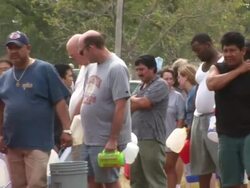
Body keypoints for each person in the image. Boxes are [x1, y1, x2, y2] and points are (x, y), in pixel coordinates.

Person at [0, 31, 72, 188]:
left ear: (28, 48)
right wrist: (0, 135)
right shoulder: (5, 77)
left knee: (35, 184)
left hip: (38, 142)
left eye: (17, 47)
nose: (13, 51)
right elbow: (2, 108)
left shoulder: (44, 69)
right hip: (13, 143)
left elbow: (60, 102)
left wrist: (67, 130)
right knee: (17, 184)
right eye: (10, 48)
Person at [78, 30, 131, 188]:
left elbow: (121, 107)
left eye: (82, 51)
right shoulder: (91, 68)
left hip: (105, 139)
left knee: (109, 181)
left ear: (91, 47)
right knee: (91, 180)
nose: (81, 56)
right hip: (89, 138)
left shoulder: (116, 68)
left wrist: (113, 139)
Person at [207, 31, 250, 188]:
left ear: (243, 51)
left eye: (232, 50)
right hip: (226, 134)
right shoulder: (218, 68)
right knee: (230, 183)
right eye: (225, 50)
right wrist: (238, 71)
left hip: (248, 132)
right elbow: (211, 84)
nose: (228, 54)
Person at [130, 55, 168, 188]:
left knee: (154, 180)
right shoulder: (140, 86)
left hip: (151, 137)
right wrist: (134, 100)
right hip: (136, 138)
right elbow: (130, 106)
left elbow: (145, 103)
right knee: (137, 180)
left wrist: (133, 100)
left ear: (153, 69)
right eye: (137, 70)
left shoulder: (161, 84)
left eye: (142, 69)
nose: (139, 73)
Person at [190, 33, 222, 188]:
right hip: (198, 117)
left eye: (198, 50)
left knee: (223, 164)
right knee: (202, 167)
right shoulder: (202, 66)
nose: (197, 54)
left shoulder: (223, 61)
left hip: (215, 118)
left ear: (208, 45)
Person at [66, 34, 90, 160]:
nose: (72, 58)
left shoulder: (93, 67)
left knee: (83, 168)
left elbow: (86, 97)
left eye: (72, 55)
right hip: (77, 129)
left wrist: (70, 124)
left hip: (83, 129)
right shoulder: (83, 68)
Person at [161, 67, 185, 188]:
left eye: (171, 79)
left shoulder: (178, 97)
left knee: (169, 167)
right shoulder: (157, 95)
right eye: (166, 79)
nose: (169, 81)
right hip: (156, 137)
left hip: (171, 138)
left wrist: (176, 138)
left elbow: (181, 118)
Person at [54, 64, 74, 151]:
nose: (72, 79)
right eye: (69, 76)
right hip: (58, 142)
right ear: (61, 79)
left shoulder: (68, 96)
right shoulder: (60, 99)